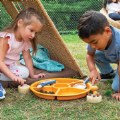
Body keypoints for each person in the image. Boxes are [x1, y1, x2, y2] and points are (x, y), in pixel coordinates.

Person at [0, 7, 46, 98]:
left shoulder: (25, 41)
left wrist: (33, 75)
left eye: (36, 33)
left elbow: (27, 58)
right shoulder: (6, 38)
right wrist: (13, 77)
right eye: (31, 30)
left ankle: (4, 76)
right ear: (20, 23)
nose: (33, 35)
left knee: (25, 72)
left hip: (7, 67)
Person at [77, 10, 120, 100]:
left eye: (94, 42)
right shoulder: (96, 39)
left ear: (107, 31)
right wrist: (92, 70)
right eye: (89, 43)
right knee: (96, 54)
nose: (92, 46)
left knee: (116, 87)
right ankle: (108, 74)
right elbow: (90, 55)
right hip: (115, 57)